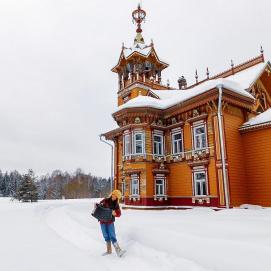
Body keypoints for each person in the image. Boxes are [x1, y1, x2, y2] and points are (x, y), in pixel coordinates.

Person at [98, 189, 124, 257]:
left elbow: (119, 214)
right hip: (102, 221)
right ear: (112, 194)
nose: (114, 196)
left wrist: (114, 213)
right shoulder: (105, 200)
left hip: (110, 222)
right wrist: (96, 205)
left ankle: (119, 251)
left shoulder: (116, 204)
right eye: (113, 194)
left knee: (112, 236)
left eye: (116, 196)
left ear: (117, 197)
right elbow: (99, 206)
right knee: (105, 235)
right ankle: (109, 251)